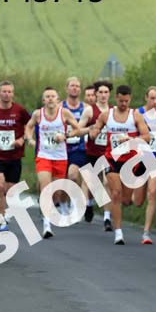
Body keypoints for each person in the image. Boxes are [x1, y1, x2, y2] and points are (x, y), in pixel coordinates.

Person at [88, 84, 151, 245]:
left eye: (127, 101)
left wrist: (131, 139)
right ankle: (118, 232)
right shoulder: (106, 115)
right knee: (115, 193)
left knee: (126, 199)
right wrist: (93, 134)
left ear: (130, 99)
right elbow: (95, 130)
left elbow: (146, 137)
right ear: (116, 98)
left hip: (130, 161)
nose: (124, 104)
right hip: (112, 159)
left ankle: (125, 207)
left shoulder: (135, 115)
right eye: (121, 101)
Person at [25, 86, 83, 238]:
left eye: (53, 96)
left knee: (57, 191)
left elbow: (77, 129)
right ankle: (46, 224)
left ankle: (52, 207)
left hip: (60, 157)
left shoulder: (64, 113)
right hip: (43, 156)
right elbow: (29, 126)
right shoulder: (38, 114)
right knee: (46, 187)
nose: (50, 99)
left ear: (58, 100)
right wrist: (29, 139)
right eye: (47, 96)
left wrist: (66, 135)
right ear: (43, 100)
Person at [0, 80, 31, 229]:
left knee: (11, 192)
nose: (6, 94)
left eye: (9, 91)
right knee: (0, 185)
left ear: (13, 94)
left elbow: (29, 126)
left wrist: (22, 140)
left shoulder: (20, 111)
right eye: (4, 91)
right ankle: (2, 219)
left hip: (14, 157)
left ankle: (7, 212)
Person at [133, 86, 156, 244]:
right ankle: (135, 191)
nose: (155, 102)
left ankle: (146, 233)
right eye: (152, 98)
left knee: (152, 194)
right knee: (137, 202)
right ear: (146, 97)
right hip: (140, 158)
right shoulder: (137, 113)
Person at [81, 80, 113, 228]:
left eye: (106, 92)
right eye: (100, 92)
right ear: (95, 94)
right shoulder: (89, 111)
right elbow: (78, 129)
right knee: (93, 183)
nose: (103, 95)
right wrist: (91, 129)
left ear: (110, 94)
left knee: (107, 182)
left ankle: (107, 217)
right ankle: (89, 204)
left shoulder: (114, 111)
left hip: (108, 153)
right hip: (92, 152)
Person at [61, 77, 92, 220]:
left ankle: (76, 205)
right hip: (60, 148)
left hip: (79, 148)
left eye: (77, 86)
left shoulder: (86, 108)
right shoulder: (60, 107)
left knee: (73, 176)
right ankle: (62, 203)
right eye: (72, 86)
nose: (75, 88)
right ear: (66, 88)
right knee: (61, 180)